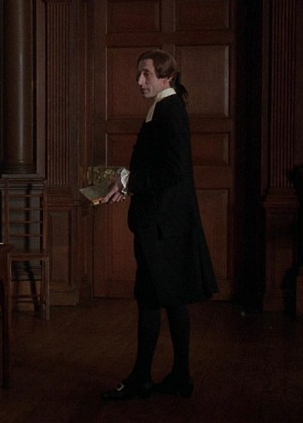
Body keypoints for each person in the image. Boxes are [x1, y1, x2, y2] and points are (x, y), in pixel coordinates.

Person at [99, 50, 218, 401]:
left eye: (147, 74)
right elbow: (159, 166)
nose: (140, 81)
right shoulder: (164, 107)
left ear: (167, 77)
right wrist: (127, 182)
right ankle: (179, 376)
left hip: (164, 226)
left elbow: (173, 171)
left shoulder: (169, 109)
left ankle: (143, 379)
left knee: (153, 299)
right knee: (170, 299)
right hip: (165, 223)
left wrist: (129, 182)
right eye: (139, 74)